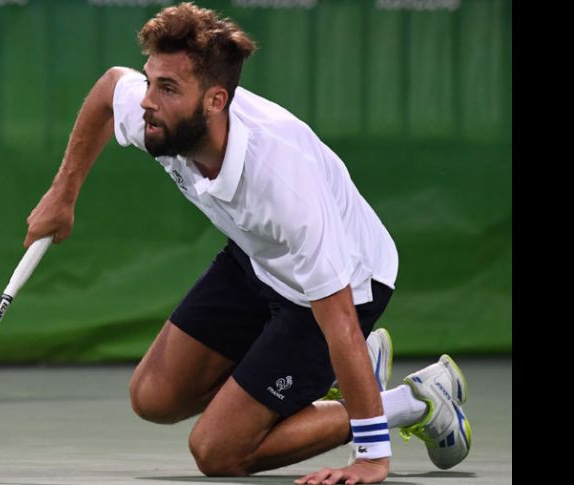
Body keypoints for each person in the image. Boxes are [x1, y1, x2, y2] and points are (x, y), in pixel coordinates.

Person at [23, 3, 471, 483]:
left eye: (167, 88)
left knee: (217, 453)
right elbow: (111, 86)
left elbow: (337, 318)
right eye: (151, 81)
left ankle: (412, 401)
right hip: (258, 258)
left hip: (343, 286)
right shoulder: (157, 114)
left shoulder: (283, 182)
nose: (147, 100)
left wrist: (371, 457)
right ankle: (341, 378)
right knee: (154, 398)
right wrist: (62, 194)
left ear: (215, 101)